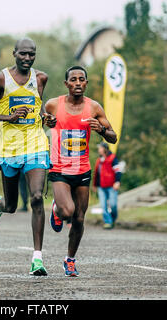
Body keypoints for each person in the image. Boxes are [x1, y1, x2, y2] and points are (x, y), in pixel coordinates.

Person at [0, 38, 54, 276]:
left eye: (32, 54)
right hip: (9, 148)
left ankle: (37, 259)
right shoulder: (1, 79)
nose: (28, 58)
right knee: (11, 205)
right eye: (23, 54)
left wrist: (47, 119)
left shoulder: (40, 78)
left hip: (36, 144)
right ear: (14, 54)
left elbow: (38, 109)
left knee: (38, 197)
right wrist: (7, 118)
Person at [45, 66, 117, 277]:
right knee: (67, 211)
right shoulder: (53, 104)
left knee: (78, 218)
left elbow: (113, 137)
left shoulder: (94, 108)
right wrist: (45, 121)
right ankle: (57, 210)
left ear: (86, 83)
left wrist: (101, 130)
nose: (77, 82)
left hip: (82, 170)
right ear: (66, 84)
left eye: (81, 79)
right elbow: (38, 121)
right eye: (73, 79)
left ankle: (70, 260)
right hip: (59, 168)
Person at [93, 142, 123, 230]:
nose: (99, 150)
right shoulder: (99, 160)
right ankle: (108, 222)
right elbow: (96, 174)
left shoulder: (113, 158)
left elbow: (118, 170)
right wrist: (94, 185)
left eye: (100, 148)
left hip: (111, 186)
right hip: (101, 187)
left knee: (113, 205)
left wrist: (117, 182)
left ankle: (113, 218)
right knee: (103, 205)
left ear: (104, 149)